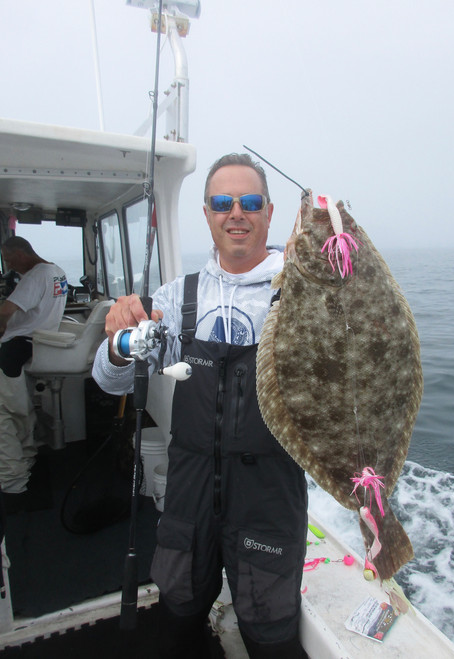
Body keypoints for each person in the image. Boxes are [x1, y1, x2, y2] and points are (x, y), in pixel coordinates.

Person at [92, 154, 309, 658]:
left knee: (270, 636)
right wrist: (122, 344)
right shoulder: (177, 298)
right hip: (188, 494)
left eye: (249, 202)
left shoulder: (304, 294)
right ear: (207, 213)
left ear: (270, 213)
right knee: (178, 623)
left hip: (269, 498)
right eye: (222, 203)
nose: (237, 213)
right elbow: (108, 382)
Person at [0, 236, 68, 509]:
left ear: (20, 254)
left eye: (8, 259)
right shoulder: (58, 272)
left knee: (5, 415)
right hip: (35, 346)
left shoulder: (34, 276)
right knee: (20, 408)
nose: (8, 266)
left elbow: (6, 310)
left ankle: (12, 482)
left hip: (14, 350)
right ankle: (26, 456)